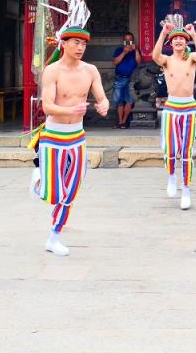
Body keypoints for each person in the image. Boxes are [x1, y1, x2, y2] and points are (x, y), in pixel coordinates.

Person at [30, 28, 109, 256]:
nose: (80, 47)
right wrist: (69, 109)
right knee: (54, 194)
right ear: (63, 44)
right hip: (54, 137)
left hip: (77, 137)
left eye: (83, 43)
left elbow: (102, 97)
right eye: (75, 42)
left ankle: (54, 237)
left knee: (70, 192)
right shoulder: (52, 71)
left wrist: (103, 105)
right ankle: (39, 182)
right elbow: (47, 107)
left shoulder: (91, 70)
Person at [151, 22, 196, 210]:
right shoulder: (166, 60)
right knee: (170, 150)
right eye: (175, 39)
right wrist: (163, 32)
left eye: (182, 39)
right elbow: (155, 56)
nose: (178, 41)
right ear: (171, 43)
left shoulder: (191, 58)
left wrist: (194, 34)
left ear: (186, 42)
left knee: (186, 151)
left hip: (189, 107)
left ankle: (186, 190)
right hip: (171, 107)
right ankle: (172, 177)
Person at [112, 31, 142, 129]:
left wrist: (136, 50)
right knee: (119, 101)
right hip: (120, 78)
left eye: (130, 41)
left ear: (133, 41)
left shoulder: (136, 51)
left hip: (132, 80)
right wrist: (124, 52)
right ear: (123, 41)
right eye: (126, 41)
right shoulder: (119, 50)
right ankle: (120, 121)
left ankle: (124, 121)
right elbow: (115, 62)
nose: (128, 43)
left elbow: (139, 62)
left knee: (129, 100)